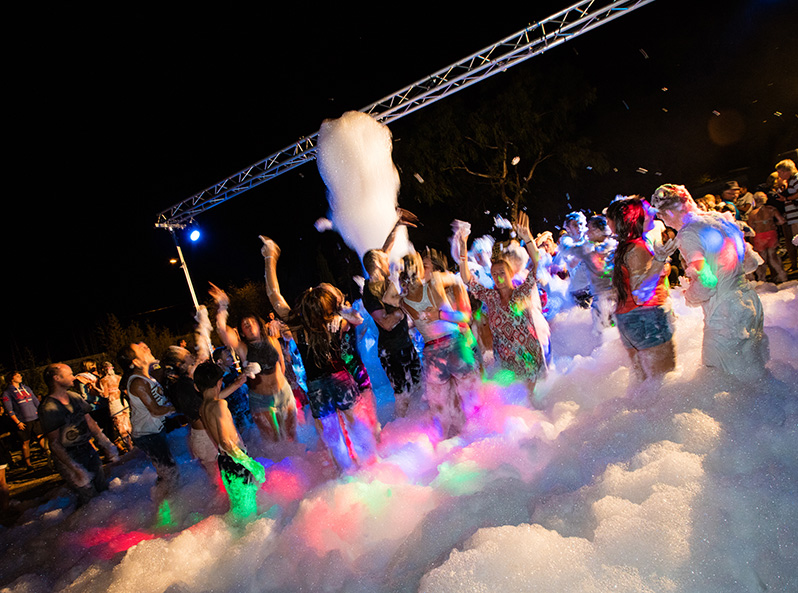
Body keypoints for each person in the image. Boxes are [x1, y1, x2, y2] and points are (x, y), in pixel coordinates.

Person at [262, 236, 377, 470]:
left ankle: (346, 473)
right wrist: (339, 308)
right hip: (341, 379)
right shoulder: (337, 320)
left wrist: (270, 258)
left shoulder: (296, 327)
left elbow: (274, 295)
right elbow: (358, 318)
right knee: (356, 424)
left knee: (332, 437)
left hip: (316, 387)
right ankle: (371, 465)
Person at [650, 184, 768, 380]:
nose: (661, 219)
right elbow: (751, 262)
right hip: (750, 303)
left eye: (661, 214)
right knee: (754, 375)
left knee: (723, 381)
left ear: (672, 210)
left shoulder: (688, 233)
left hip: (726, 313)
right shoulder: (722, 219)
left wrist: (689, 294)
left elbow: (707, 282)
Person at [382, 246, 480, 439]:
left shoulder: (404, 301)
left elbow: (387, 297)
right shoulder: (435, 281)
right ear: (419, 269)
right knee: (470, 396)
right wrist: (445, 310)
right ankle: (479, 434)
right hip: (455, 345)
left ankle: (449, 441)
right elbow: (458, 281)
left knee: (441, 406)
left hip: (433, 353)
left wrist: (396, 276)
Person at [456, 212, 544, 396]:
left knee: (531, 398)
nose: (497, 277)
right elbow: (467, 279)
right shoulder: (491, 297)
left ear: (511, 273)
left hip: (528, 355)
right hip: (506, 358)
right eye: (494, 274)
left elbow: (536, 263)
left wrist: (527, 238)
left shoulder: (522, 292)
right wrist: (463, 249)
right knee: (516, 399)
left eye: (502, 272)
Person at [209, 284, 298, 443]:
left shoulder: (272, 341)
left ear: (258, 324)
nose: (249, 325)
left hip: (282, 393)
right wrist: (222, 306)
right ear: (242, 332)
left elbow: (281, 363)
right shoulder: (243, 349)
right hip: (260, 399)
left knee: (292, 436)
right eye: (245, 325)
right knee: (273, 441)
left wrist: (284, 384)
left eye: (251, 322)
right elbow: (222, 330)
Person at [605, 197, 677, 389]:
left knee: (644, 384)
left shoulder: (625, 247)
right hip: (646, 318)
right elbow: (640, 293)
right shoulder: (637, 248)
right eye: (647, 211)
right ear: (634, 218)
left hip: (629, 319)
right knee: (664, 386)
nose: (652, 213)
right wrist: (659, 261)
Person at [39, 364, 118, 506]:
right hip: (69, 455)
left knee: (103, 489)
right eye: (69, 374)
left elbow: (90, 422)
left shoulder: (74, 397)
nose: (73, 377)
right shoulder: (49, 407)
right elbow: (55, 443)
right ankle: (90, 526)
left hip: (87, 448)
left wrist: (107, 444)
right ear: (57, 378)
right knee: (88, 496)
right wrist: (74, 468)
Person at [195, 361, 264, 521]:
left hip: (224, 461)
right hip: (236, 461)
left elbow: (216, 397)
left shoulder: (204, 407)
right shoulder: (219, 405)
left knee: (238, 507)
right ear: (220, 382)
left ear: (197, 387)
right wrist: (252, 464)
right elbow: (227, 443)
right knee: (248, 511)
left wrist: (238, 383)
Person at [117, 342, 179, 506]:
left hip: (154, 431)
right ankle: (165, 506)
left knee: (168, 469)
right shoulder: (138, 382)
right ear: (135, 362)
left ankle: (168, 501)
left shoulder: (147, 377)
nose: (146, 346)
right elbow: (156, 410)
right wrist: (180, 407)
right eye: (140, 348)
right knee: (169, 471)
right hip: (148, 435)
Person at [2, 372, 46, 470]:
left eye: (20, 375)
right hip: (23, 421)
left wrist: (41, 412)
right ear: (11, 379)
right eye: (17, 376)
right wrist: (17, 422)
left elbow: (35, 401)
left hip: (35, 418)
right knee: (25, 442)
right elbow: (9, 409)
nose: (20, 377)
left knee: (41, 437)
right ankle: (28, 464)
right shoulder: (7, 392)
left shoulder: (26, 388)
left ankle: (51, 456)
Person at [747, 192, 788, 283]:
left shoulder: (752, 214)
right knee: (773, 256)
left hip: (759, 237)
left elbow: (750, 229)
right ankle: (782, 276)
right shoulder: (771, 209)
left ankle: (762, 279)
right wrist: (774, 225)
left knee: (762, 259)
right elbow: (781, 221)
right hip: (771, 234)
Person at [98, 361, 132, 452]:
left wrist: (95, 388)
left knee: (120, 425)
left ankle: (129, 447)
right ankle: (134, 443)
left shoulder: (103, 380)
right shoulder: (119, 377)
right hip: (123, 402)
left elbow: (105, 395)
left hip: (114, 403)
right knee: (127, 423)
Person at [774, 159, 798, 272]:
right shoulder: (790, 181)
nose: (778, 175)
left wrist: (788, 198)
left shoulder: (796, 179)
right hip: (792, 216)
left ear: (786, 170)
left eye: (780, 172)